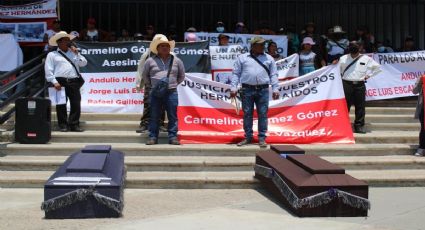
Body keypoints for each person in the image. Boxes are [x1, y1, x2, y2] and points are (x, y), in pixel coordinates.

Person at [230, 36, 280, 148]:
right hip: (246, 89)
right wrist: (233, 87)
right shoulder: (242, 58)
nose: (263, 47)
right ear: (253, 46)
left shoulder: (269, 58)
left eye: (264, 44)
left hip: (263, 89)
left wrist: (275, 88)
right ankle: (248, 137)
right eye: (260, 45)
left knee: (263, 114)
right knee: (247, 114)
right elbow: (236, 74)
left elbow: (273, 74)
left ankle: (262, 138)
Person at [142, 35, 185, 145]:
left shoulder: (177, 60)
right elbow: (145, 76)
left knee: (172, 116)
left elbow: (181, 76)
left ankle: (173, 137)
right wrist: (153, 86)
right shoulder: (149, 61)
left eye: (167, 46)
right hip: (155, 93)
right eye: (162, 46)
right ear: (157, 48)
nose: (165, 47)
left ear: (170, 48)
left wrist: (172, 84)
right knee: (154, 116)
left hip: (171, 92)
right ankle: (152, 137)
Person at [44, 31, 87, 132]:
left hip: (74, 81)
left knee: (76, 103)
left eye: (69, 40)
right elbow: (48, 69)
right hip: (60, 81)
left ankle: (74, 124)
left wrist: (77, 54)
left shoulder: (74, 52)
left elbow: (83, 63)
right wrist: (54, 82)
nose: (68, 42)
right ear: (59, 42)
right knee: (61, 104)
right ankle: (63, 125)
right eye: (66, 40)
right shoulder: (52, 54)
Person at [336, 41, 381, 134]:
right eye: (351, 46)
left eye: (356, 46)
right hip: (346, 84)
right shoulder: (343, 58)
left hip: (359, 84)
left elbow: (377, 68)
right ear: (349, 47)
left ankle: (359, 126)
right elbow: (336, 70)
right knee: (345, 106)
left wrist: (369, 75)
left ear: (360, 47)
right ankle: (342, 125)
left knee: (360, 106)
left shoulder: (366, 58)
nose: (354, 47)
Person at [135, 34, 169, 133]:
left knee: (162, 104)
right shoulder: (147, 54)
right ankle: (145, 123)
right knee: (148, 103)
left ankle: (160, 123)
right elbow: (140, 69)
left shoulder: (170, 55)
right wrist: (139, 83)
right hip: (149, 84)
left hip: (163, 84)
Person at [413, 75, 425, 156]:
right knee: (424, 128)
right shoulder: (422, 78)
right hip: (423, 108)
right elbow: (414, 91)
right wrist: (420, 82)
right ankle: (422, 148)